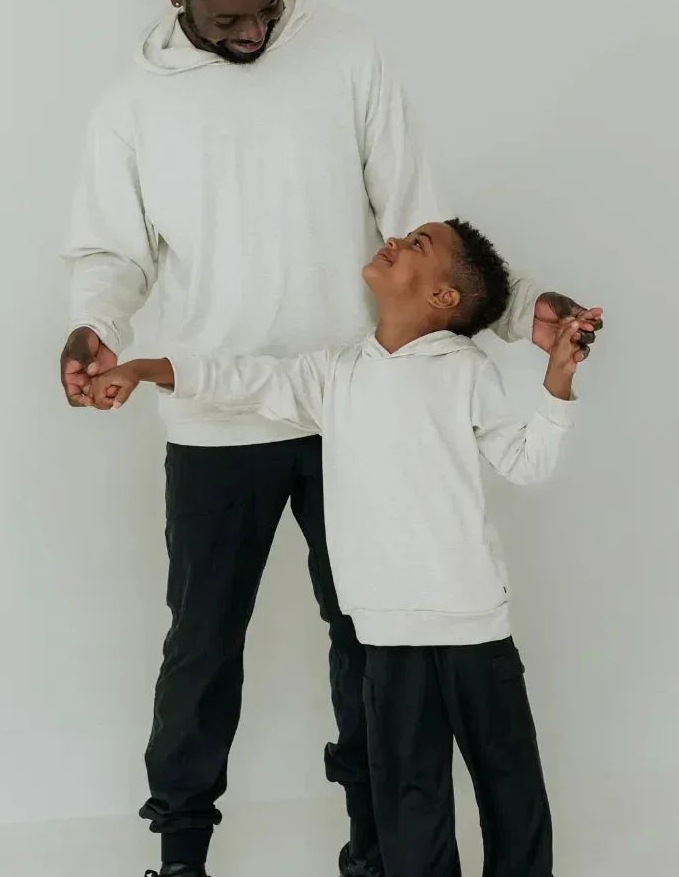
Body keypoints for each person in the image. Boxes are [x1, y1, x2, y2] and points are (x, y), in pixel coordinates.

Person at [61, 0, 602, 877]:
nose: (257, 27)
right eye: (229, 16)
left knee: (367, 638)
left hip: (361, 407)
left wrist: (528, 311)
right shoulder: (130, 108)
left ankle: (377, 850)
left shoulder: (346, 53)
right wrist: (98, 335)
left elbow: (422, 222)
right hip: (219, 416)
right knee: (202, 648)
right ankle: (181, 855)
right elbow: (110, 255)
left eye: (267, 3)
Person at [91, 219, 584, 877]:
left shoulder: (468, 373)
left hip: (474, 626)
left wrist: (557, 384)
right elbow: (243, 380)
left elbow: (525, 461)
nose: (397, 240)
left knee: (509, 786)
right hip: (385, 634)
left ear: (442, 299)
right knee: (411, 801)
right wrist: (147, 367)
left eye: (418, 246)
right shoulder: (335, 375)